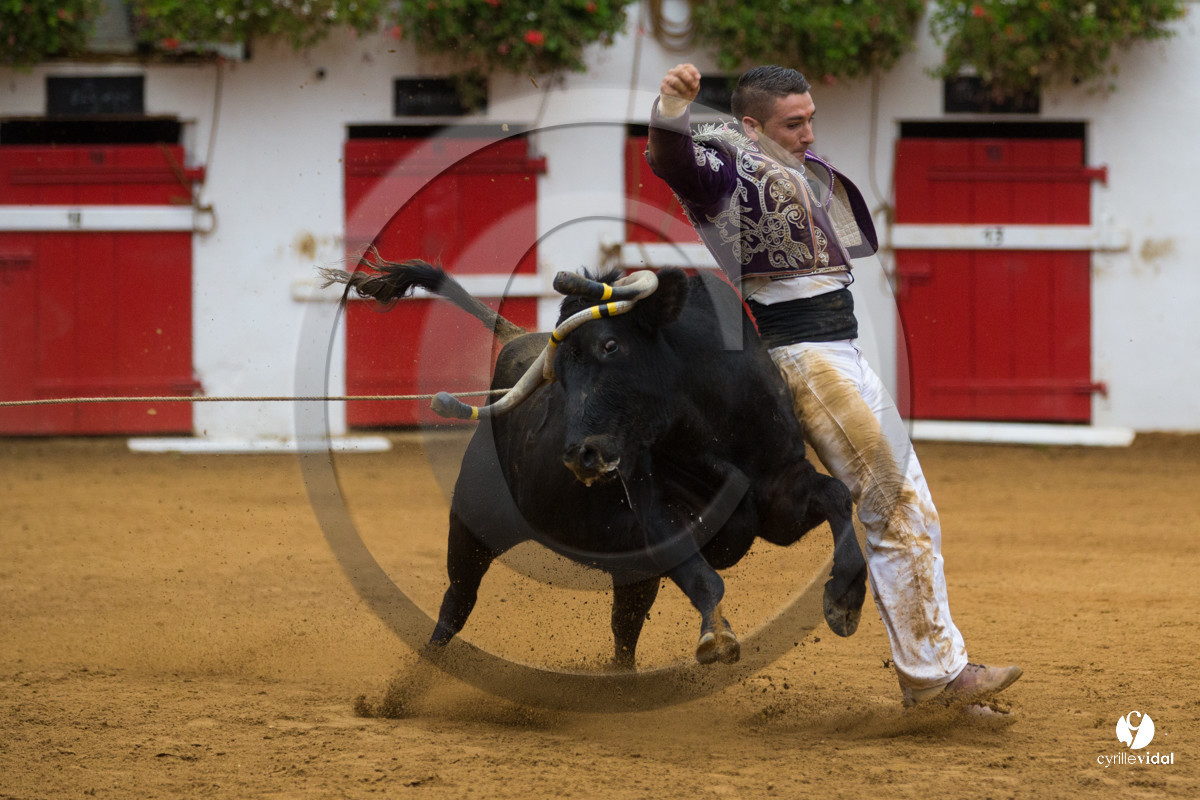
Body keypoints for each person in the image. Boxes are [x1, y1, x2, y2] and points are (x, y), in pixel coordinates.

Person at [646, 62, 1022, 708]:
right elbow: (673, 160)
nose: (808, 134)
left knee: (915, 507)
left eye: (811, 119)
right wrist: (669, 109)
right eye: (794, 124)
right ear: (751, 126)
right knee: (895, 505)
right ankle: (938, 679)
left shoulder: (788, 168)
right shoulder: (731, 171)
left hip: (840, 348)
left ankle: (933, 674)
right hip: (805, 356)